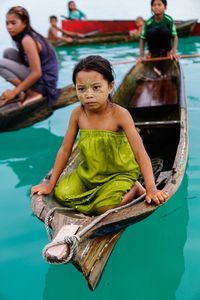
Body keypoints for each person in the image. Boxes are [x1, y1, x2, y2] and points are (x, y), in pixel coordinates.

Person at [31, 55, 169, 216]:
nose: (88, 95)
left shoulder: (120, 115)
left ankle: (133, 187)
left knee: (104, 207)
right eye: (81, 89)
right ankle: (103, 192)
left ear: (110, 87)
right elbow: (65, 150)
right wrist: (50, 184)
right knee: (62, 194)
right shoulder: (78, 114)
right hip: (89, 174)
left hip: (119, 173)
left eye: (96, 88)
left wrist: (151, 188)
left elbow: (140, 152)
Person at [0, 6, 59, 106]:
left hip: (44, 85)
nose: (9, 27)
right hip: (43, 80)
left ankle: (32, 92)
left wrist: (14, 92)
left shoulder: (27, 39)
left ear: (24, 23)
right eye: (7, 23)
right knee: (8, 52)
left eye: (13, 23)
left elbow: (37, 73)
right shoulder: (25, 37)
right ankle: (25, 91)